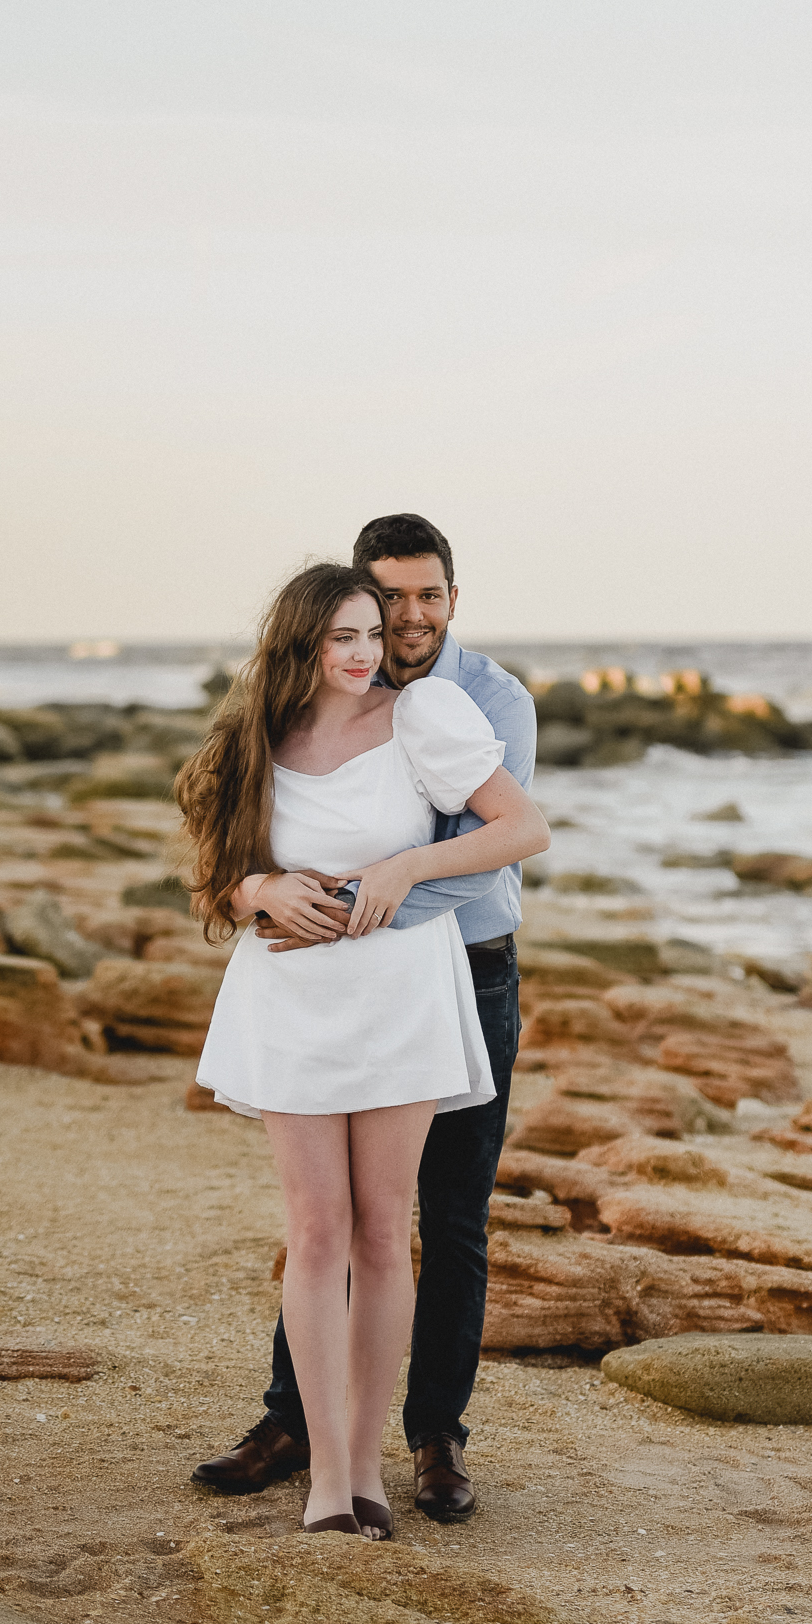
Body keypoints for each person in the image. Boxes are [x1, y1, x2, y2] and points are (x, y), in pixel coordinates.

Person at [176, 556, 548, 1538]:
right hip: (293, 1000)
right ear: (299, 639)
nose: (362, 653)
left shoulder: (420, 717)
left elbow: (520, 827)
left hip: (398, 993)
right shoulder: (254, 730)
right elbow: (214, 874)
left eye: (371, 636)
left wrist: (405, 863)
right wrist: (258, 891)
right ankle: (328, 1479)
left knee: (387, 1231)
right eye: (342, 635)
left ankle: (371, 1467)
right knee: (316, 1232)